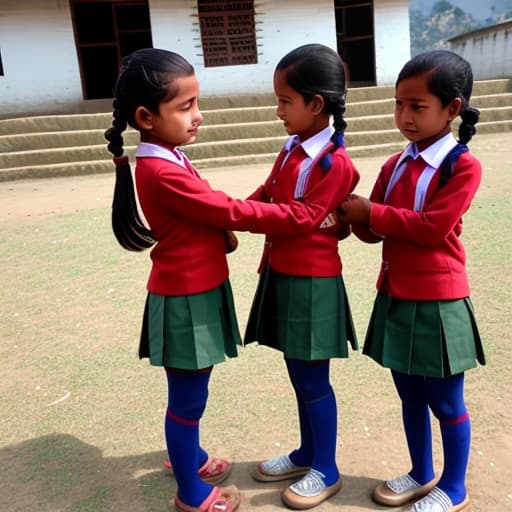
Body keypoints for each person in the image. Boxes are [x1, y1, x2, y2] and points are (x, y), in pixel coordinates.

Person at [104, 47, 350, 512]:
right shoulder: (160, 168)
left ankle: (191, 458)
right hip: (187, 294)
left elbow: (215, 207)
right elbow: (225, 208)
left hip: (196, 287)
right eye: (186, 106)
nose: (198, 115)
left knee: (196, 390)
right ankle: (192, 492)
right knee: (188, 398)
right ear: (146, 117)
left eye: (196, 103)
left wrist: (239, 225)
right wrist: (290, 217)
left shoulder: (167, 156)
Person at [338, 49, 486, 512]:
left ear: (453, 109)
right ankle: (421, 472)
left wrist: (371, 212)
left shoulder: (461, 166)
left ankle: (453, 486)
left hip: (439, 299)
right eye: (399, 105)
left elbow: (431, 228)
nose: (405, 116)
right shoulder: (394, 163)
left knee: (445, 399)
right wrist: (344, 210)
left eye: (417, 107)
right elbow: (372, 230)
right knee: (407, 391)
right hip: (397, 292)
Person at [244, 43, 359, 509]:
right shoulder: (292, 149)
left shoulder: (334, 163)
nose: (278, 111)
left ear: (315, 104)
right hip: (284, 272)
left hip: (313, 281)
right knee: (298, 374)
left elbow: (303, 216)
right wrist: (226, 213)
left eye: (284, 101)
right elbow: (267, 194)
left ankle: (326, 468)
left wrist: (244, 215)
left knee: (314, 380)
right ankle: (306, 452)